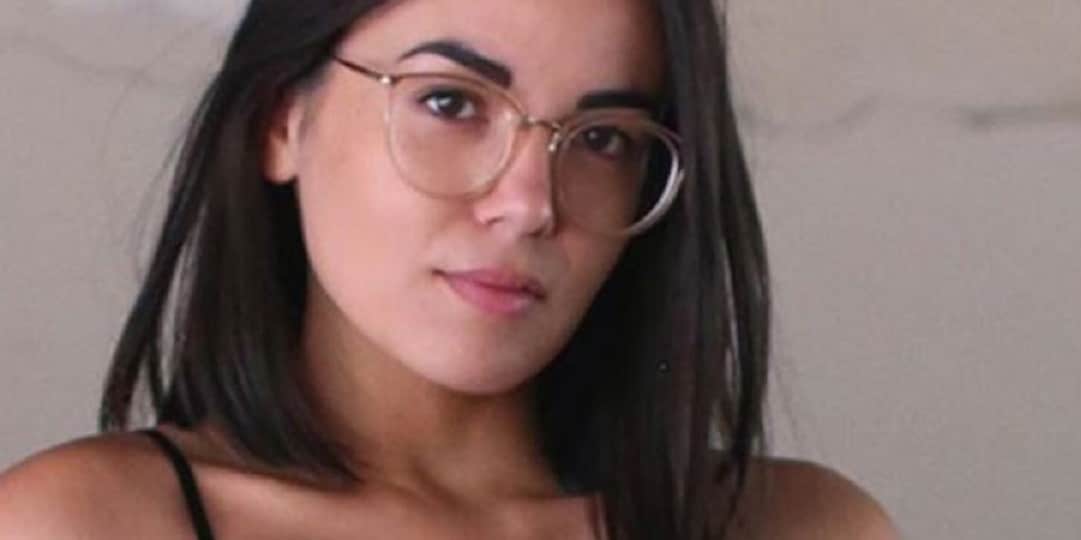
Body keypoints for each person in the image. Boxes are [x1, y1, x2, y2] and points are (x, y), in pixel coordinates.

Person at [0, 0, 898, 538]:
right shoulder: (86, 525)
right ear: (281, 120)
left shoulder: (801, 529)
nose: (530, 201)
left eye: (602, 139)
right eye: (449, 102)